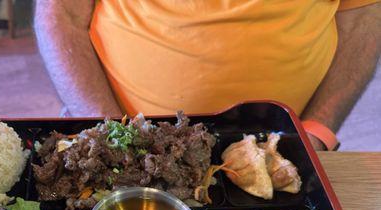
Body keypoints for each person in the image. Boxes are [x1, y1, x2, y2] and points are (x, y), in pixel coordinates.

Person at [35, 1, 381, 150]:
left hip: (285, 147)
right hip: (124, 136)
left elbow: (363, 15)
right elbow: (62, 13)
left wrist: (319, 129)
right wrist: (108, 132)